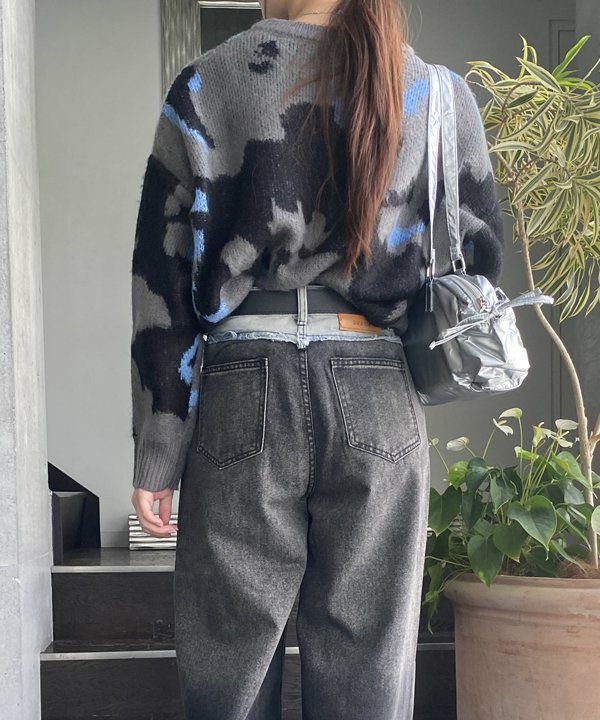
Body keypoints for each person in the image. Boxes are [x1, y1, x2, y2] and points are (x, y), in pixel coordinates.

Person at [129, 0, 504, 718]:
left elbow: (163, 282)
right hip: (377, 386)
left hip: (244, 384)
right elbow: (480, 260)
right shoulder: (434, 92)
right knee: (369, 668)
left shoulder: (207, 84)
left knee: (228, 668)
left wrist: (159, 446)